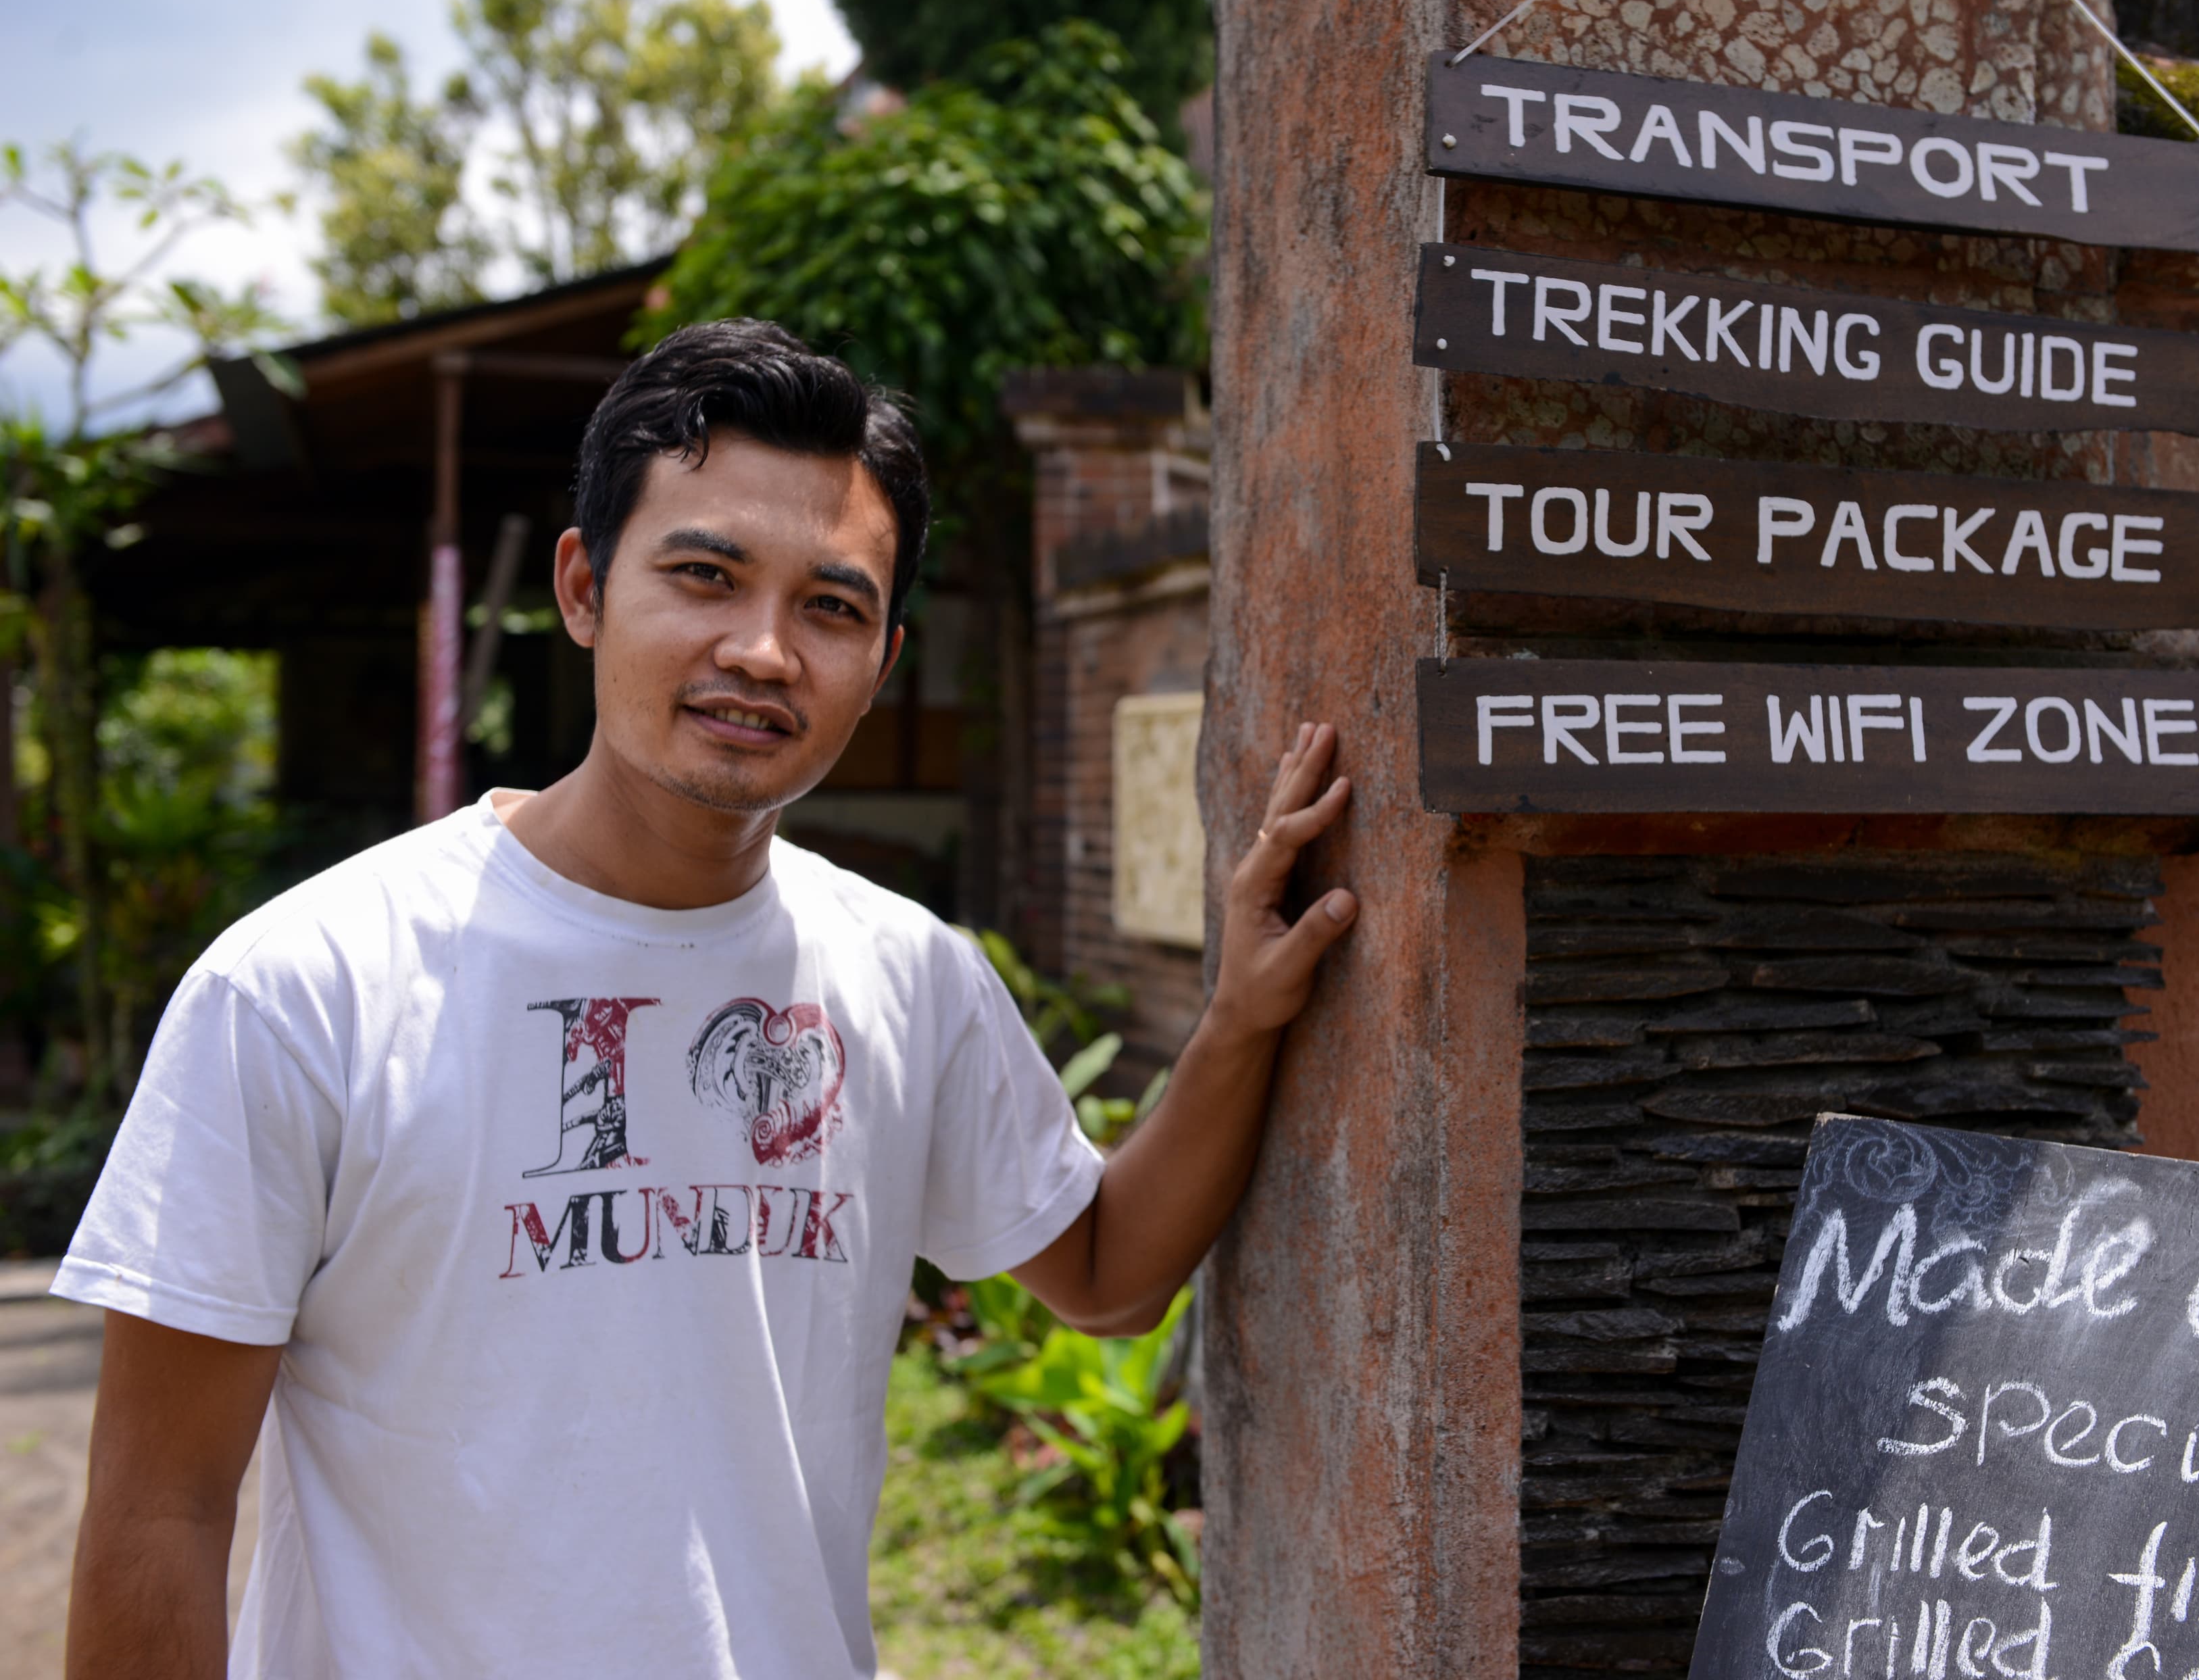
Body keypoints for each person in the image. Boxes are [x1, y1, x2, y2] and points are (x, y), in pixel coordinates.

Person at [54, 319, 1357, 1678]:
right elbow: (161, 1511)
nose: (764, 649)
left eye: (831, 606)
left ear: (884, 660)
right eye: (705, 574)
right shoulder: (306, 986)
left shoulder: (908, 975)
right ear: (583, 586)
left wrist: (1242, 1017)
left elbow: (1102, 1268)